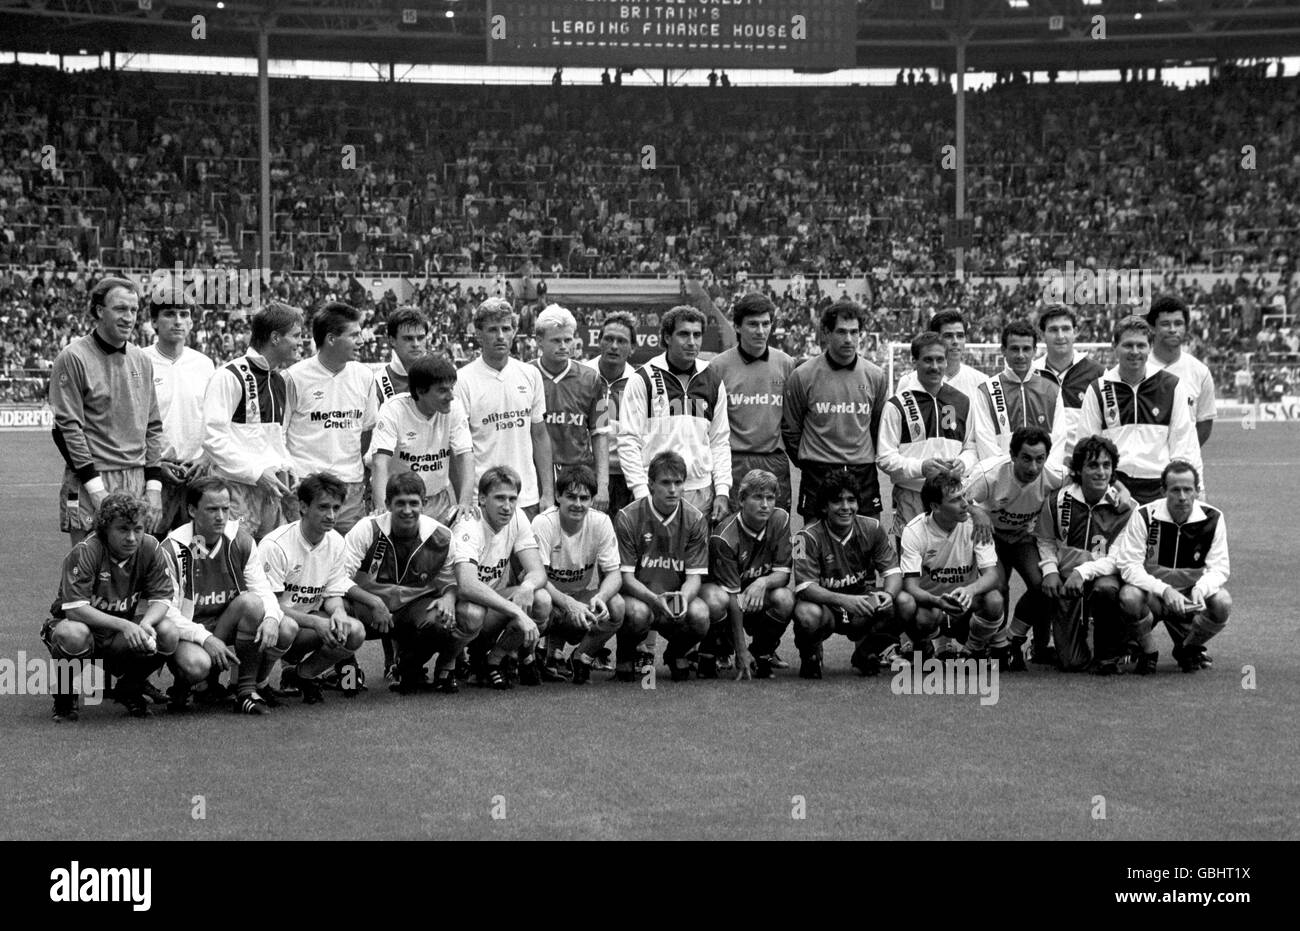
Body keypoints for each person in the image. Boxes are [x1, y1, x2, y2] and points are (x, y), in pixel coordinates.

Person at [41, 493, 223, 721]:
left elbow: (162, 599)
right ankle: (65, 698)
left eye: (137, 529)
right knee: (72, 634)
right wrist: (126, 625)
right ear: (105, 529)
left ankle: (129, 688)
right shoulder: (87, 550)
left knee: (166, 631)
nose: (131, 537)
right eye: (123, 529)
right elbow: (75, 609)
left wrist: (145, 623)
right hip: (83, 631)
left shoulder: (150, 547)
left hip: (118, 636)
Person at [161, 477, 294, 714]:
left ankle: (245, 689)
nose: (221, 517)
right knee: (196, 665)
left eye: (225, 508)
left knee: (284, 627)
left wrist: (272, 618)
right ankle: (187, 686)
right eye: (212, 509)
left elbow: (261, 591)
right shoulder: (174, 547)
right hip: (191, 631)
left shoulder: (240, 539)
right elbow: (168, 613)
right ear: (192, 510)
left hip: (226, 624)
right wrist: (206, 639)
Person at [48, 276, 165, 545]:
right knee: (88, 575)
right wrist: (96, 489)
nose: (129, 317)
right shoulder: (74, 357)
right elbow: (67, 429)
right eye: (120, 309)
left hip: (135, 480)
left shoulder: (141, 360)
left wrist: (154, 487)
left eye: (134, 310)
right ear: (100, 311)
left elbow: (153, 427)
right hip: (93, 478)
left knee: (130, 577)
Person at [341, 472, 463, 695]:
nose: (407, 510)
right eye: (400, 504)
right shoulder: (367, 529)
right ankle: (347, 674)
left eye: (414, 503)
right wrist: (374, 602)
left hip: (410, 610)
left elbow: (450, 582)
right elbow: (338, 579)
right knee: (336, 610)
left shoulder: (441, 536)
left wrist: (448, 597)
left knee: (442, 621)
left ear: (424, 504)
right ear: (387, 504)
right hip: (367, 608)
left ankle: (408, 667)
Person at [1111, 460, 1231, 674]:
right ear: (1163, 490)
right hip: (1153, 596)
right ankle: (1149, 652)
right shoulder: (1144, 515)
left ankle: (1188, 648)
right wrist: (1164, 591)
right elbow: (1129, 566)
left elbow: (1219, 568)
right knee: (1129, 596)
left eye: (1188, 489)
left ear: (1197, 491)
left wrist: (1199, 590)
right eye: (1175, 490)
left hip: (1190, 599)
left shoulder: (1213, 518)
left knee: (1222, 602)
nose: (1182, 497)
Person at [259, 473, 368, 704]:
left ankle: (301, 675)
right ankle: (257, 683)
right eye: (323, 507)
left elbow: (333, 592)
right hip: (273, 626)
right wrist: (316, 622)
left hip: (307, 626)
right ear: (303, 506)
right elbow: (270, 607)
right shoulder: (275, 544)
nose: (331, 515)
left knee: (354, 630)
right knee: (286, 627)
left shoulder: (336, 541)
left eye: (336, 508)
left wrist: (338, 612)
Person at [1033, 435, 1137, 674]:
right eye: (1092, 465)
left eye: (1106, 465)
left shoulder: (1127, 509)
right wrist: (1049, 570)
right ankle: (1056, 641)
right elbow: (1045, 539)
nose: (1101, 472)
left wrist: (1084, 571)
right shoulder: (1058, 500)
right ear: (1078, 470)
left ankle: (1109, 654)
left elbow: (1119, 559)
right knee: (1072, 663)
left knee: (1106, 590)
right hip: (1068, 579)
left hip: (1104, 577)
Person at [618, 305, 731, 523]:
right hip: (657, 491)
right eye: (683, 334)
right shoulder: (643, 378)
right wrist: (641, 491)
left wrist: (723, 490)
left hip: (701, 491)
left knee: (697, 557)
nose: (692, 341)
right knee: (655, 558)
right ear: (667, 337)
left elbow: (719, 441)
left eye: (697, 335)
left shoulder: (712, 378)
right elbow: (629, 440)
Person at [790, 471, 909, 679]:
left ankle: (866, 653)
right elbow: (804, 587)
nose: (845, 507)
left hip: (862, 605)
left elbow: (893, 572)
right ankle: (810, 655)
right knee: (806, 614)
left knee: (904, 601)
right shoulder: (803, 537)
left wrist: (888, 595)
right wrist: (844, 600)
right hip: (826, 607)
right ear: (825, 507)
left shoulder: (873, 528)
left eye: (851, 500)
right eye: (837, 501)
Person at [1069, 316, 1200, 505]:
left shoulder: (1171, 385)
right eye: (1128, 345)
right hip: (1114, 486)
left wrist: (1175, 485)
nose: (1135, 352)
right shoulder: (1099, 388)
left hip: (1159, 486)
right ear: (1115, 346)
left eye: (1141, 345)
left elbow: (1182, 442)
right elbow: (1087, 444)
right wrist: (1112, 486)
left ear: (1150, 347)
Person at [964, 426, 1064, 669]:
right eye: (1026, 458)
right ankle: (997, 648)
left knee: (1043, 585)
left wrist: (1121, 490)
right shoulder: (989, 474)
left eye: (1040, 459)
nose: (1033, 467)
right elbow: (957, 496)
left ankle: (1028, 642)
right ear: (1012, 455)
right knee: (998, 585)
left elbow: (1085, 476)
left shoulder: (1056, 475)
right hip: (991, 537)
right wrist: (976, 510)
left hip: (1024, 536)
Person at [201, 301, 302, 540]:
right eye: (296, 336)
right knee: (231, 564)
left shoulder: (279, 380)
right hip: (235, 491)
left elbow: (275, 438)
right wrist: (256, 473)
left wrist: (288, 466)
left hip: (271, 490)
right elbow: (212, 439)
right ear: (275, 338)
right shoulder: (229, 376)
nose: (300, 342)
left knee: (266, 564)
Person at [782, 299, 890, 522]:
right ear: (826, 333)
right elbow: (791, 430)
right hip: (818, 471)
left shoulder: (876, 376)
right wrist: (810, 462)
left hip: (862, 471)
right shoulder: (803, 375)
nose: (849, 339)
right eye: (841, 331)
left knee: (868, 539)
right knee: (814, 543)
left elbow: (878, 427)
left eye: (854, 332)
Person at [452, 466, 553, 690]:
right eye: (499, 498)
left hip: (490, 607)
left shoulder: (518, 517)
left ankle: (493, 661)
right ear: (482, 499)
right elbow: (467, 585)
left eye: (512, 499)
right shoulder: (469, 524)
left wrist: (526, 587)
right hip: (453, 610)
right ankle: (450, 664)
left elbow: (538, 572)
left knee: (541, 599)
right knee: (472, 613)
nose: (507, 506)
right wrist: (516, 611)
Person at [614, 451, 711, 682]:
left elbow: (694, 577)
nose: (673, 489)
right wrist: (655, 600)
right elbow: (625, 578)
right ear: (650, 484)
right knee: (637, 614)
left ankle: (675, 653)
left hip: (673, 596)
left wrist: (681, 600)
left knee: (701, 613)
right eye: (666, 483)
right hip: (639, 597)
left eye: (678, 483)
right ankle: (625, 655)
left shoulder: (695, 519)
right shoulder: (628, 517)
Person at [453, 297, 554, 519]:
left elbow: (539, 436)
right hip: (483, 498)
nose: (500, 336)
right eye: (492, 329)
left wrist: (547, 492)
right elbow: (459, 448)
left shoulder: (530, 374)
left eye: (506, 328)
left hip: (525, 496)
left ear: (514, 332)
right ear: (478, 334)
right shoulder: (463, 380)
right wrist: (466, 497)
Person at [284, 301, 379, 535]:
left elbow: (366, 430)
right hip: (306, 484)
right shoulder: (294, 378)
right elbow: (279, 433)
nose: (362, 340)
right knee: (303, 556)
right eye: (354, 335)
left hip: (350, 487)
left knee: (348, 560)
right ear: (331, 339)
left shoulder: (365, 376)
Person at [876, 331, 979, 541]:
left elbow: (971, 447)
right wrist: (921, 467)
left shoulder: (962, 401)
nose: (935, 366)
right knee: (911, 564)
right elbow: (884, 457)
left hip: (952, 495)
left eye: (940, 359)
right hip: (911, 495)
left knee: (953, 563)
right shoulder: (896, 405)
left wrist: (963, 463)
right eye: (928, 360)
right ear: (915, 362)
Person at [530, 465, 625, 685]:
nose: (578, 504)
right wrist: (568, 603)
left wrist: (600, 597)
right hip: (550, 600)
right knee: (540, 600)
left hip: (579, 600)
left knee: (617, 605)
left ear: (592, 500)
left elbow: (614, 575)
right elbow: (537, 577)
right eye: (571, 497)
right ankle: (528, 657)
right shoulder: (543, 523)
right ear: (557, 496)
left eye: (584, 498)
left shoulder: (601, 522)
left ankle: (581, 658)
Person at [698, 469, 796, 680]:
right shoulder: (724, 538)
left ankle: (761, 653)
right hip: (730, 598)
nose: (765, 504)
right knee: (717, 600)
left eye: (770, 498)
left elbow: (783, 574)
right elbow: (732, 597)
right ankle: (711, 650)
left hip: (755, 596)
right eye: (757, 497)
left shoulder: (781, 519)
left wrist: (763, 582)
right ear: (741, 500)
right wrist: (740, 649)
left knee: (785, 598)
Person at [899, 473, 1006, 662]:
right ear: (935, 506)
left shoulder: (977, 525)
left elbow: (992, 575)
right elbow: (910, 587)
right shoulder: (914, 531)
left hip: (966, 603)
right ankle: (923, 646)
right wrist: (937, 601)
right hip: (932, 606)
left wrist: (969, 590)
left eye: (964, 496)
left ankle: (973, 650)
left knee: (995, 600)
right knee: (913, 609)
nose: (965, 504)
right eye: (956, 500)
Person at [709, 293, 796, 512]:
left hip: (773, 459)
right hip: (734, 460)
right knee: (731, 531)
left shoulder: (785, 363)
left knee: (777, 530)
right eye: (753, 324)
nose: (760, 331)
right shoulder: (718, 366)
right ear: (737, 327)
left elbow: (793, 418)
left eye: (766, 324)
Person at [369, 353, 475, 525]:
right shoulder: (393, 410)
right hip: (400, 502)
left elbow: (466, 456)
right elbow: (380, 463)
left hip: (437, 499)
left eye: (451, 388)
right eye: (442, 390)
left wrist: (465, 501)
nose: (450, 396)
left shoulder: (454, 407)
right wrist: (382, 509)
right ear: (420, 391)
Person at [142, 295, 215, 531]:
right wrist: (154, 465)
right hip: (155, 475)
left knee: (197, 554)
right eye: (169, 314)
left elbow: (215, 421)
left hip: (197, 474)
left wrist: (205, 458)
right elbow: (133, 423)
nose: (178, 321)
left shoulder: (204, 364)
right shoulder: (139, 361)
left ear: (192, 322)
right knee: (152, 550)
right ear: (153, 322)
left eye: (184, 314)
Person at [531, 304, 610, 510]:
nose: (564, 346)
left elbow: (600, 432)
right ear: (539, 341)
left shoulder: (592, 378)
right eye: (556, 340)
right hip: (535, 475)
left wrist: (602, 485)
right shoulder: (525, 375)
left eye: (568, 339)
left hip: (579, 474)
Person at [971, 321, 1064, 465]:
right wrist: (1011, 477)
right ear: (1003, 350)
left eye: (1026, 349)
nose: (1021, 355)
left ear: (1034, 351)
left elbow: (1058, 442)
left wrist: (1040, 474)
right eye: (1015, 349)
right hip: (1002, 481)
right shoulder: (987, 391)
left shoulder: (1052, 390)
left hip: (1044, 480)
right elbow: (985, 444)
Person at [1033, 305, 1105, 465]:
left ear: (1076, 331)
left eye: (1066, 329)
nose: (1060, 336)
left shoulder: (1098, 374)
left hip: (1084, 467)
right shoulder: (1032, 374)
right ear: (1042, 334)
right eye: (1053, 330)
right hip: (1040, 467)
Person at [583, 311, 639, 516]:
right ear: (599, 342)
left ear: (632, 348)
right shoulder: (582, 375)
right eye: (609, 339)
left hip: (626, 477)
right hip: (586, 473)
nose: (614, 346)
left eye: (622, 341)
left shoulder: (640, 383)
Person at [1147, 295, 1217, 448]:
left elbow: (1204, 424)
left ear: (1186, 327)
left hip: (1183, 466)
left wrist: (1184, 454)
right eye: (1165, 324)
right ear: (1152, 328)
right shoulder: (1138, 367)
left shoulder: (1200, 372)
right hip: (1143, 466)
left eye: (1178, 323)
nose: (1173, 330)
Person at [896, 309, 990, 402]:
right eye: (948, 336)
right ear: (935, 338)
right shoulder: (909, 381)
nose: (955, 342)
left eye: (960, 336)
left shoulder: (981, 382)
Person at [373, 306, 429, 405]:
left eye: (420, 338)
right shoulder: (377, 383)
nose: (416, 344)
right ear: (392, 340)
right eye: (408, 338)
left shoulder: (439, 379)